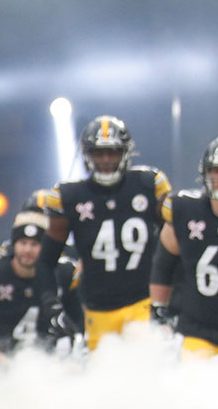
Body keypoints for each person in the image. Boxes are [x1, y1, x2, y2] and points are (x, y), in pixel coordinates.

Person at [39, 116, 171, 350]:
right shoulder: (69, 196)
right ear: (87, 155)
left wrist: (171, 299)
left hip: (143, 302)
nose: (106, 160)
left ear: (125, 152)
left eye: (112, 152)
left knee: (144, 371)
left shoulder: (149, 184)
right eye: (99, 153)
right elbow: (46, 261)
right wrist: (51, 305)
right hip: (96, 308)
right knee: (105, 379)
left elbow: (173, 247)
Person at [0, 212, 77, 363]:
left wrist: (71, 354)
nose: (27, 250)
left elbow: (79, 323)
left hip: (46, 365)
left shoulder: (63, 274)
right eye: (23, 243)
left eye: (35, 244)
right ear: (14, 244)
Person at [151, 136, 218, 357]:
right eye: (216, 170)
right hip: (199, 331)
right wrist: (158, 310)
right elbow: (163, 264)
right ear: (205, 173)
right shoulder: (185, 210)